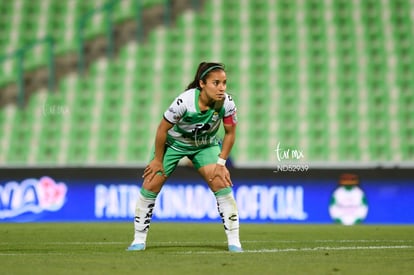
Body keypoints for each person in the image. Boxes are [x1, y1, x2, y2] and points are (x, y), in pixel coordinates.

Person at [127, 62, 243, 252]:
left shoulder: (227, 103)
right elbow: (162, 129)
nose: (222, 87)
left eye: (224, 83)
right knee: (150, 184)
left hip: (205, 145)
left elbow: (230, 133)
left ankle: (234, 242)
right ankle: (138, 240)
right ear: (202, 84)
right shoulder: (184, 102)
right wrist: (157, 160)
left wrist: (221, 163)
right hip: (174, 144)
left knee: (221, 183)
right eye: (216, 83)